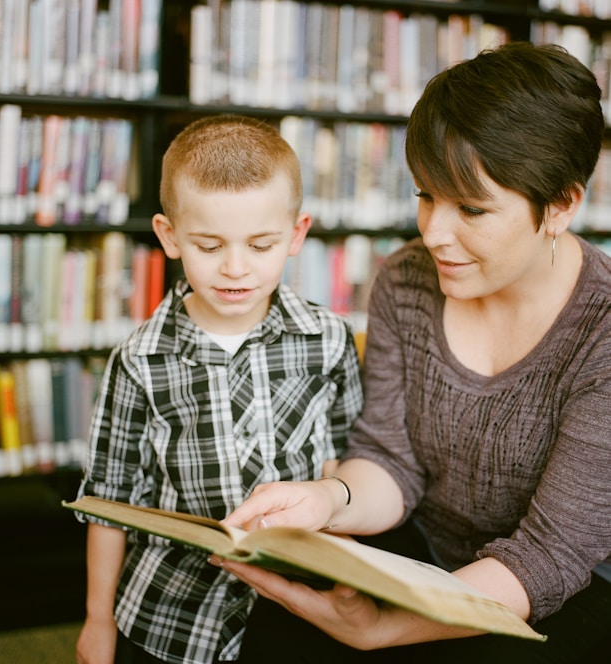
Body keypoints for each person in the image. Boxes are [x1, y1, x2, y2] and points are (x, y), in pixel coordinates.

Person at [217, 42, 611, 663]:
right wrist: (328, 500)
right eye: (425, 196)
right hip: (425, 551)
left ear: (560, 206)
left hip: (559, 594)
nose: (433, 233)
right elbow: (390, 460)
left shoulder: (603, 332)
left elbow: (548, 556)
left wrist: (385, 627)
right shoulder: (406, 279)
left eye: (472, 209)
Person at [74, 115, 363, 664]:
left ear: (297, 234)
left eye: (260, 245)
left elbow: (345, 460)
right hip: (172, 614)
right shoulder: (139, 360)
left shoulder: (327, 338)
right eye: (209, 245)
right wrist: (96, 620)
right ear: (170, 237)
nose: (236, 268)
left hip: (299, 604)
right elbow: (107, 503)